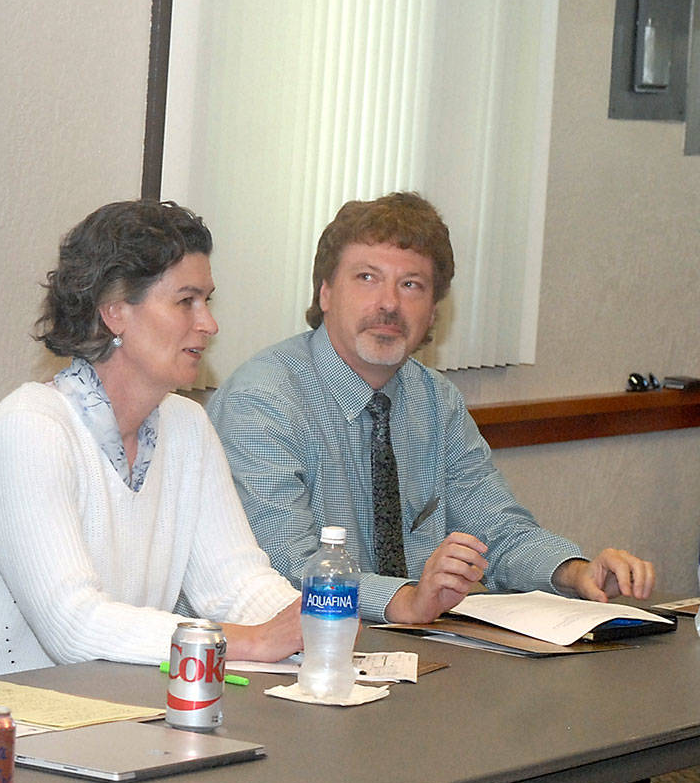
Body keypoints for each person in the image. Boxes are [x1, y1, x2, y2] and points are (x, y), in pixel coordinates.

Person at [208, 192, 655, 624]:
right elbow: (282, 567)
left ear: (434, 313)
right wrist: (406, 600)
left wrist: (575, 572)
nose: (388, 303)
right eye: (367, 278)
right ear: (325, 293)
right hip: (291, 657)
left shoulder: (435, 401)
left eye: (411, 285)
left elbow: (496, 530)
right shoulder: (263, 399)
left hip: (416, 653)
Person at [0, 201, 301, 683]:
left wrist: (312, 622)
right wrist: (251, 640)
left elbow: (236, 584)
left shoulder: (188, 427)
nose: (209, 324)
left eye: (207, 301)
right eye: (186, 301)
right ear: (114, 313)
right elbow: (73, 625)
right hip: (3, 734)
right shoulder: (30, 429)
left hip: (122, 719)